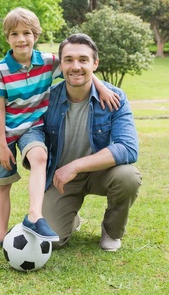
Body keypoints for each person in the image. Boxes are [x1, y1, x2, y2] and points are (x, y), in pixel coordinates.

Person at [0, 9, 120, 250]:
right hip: (6, 133)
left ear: (36, 35)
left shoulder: (49, 61)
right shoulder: (0, 71)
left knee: (40, 157)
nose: (21, 39)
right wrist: (2, 145)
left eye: (27, 33)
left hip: (33, 127)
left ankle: (34, 216)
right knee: (3, 185)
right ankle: (0, 236)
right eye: (15, 34)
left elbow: (76, 67)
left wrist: (101, 88)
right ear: (7, 37)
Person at [41, 33, 142, 251]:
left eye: (83, 60)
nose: (75, 66)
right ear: (61, 64)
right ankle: (70, 218)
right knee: (52, 240)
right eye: (68, 60)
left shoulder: (115, 97)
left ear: (95, 63)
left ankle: (112, 231)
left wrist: (76, 165)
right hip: (62, 179)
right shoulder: (48, 98)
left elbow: (129, 148)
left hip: (100, 173)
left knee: (128, 176)